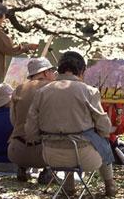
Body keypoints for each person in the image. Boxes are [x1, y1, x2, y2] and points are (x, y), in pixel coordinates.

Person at [25, 51, 116, 197]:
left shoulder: (42, 92)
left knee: (67, 137)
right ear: (82, 71)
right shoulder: (89, 91)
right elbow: (104, 126)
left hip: (50, 156)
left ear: (59, 70)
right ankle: (109, 185)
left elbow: (30, 129)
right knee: (101, 140)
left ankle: (68, 187)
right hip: (83, 158)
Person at [8, 57, 57, 183]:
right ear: (46, 72)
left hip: (16, 152)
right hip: (44, 153)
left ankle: (22, 168)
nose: (54, 74)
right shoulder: (54, 89)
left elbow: (13, 120)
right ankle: (48, 171)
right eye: (52, 71)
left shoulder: (19, 89)